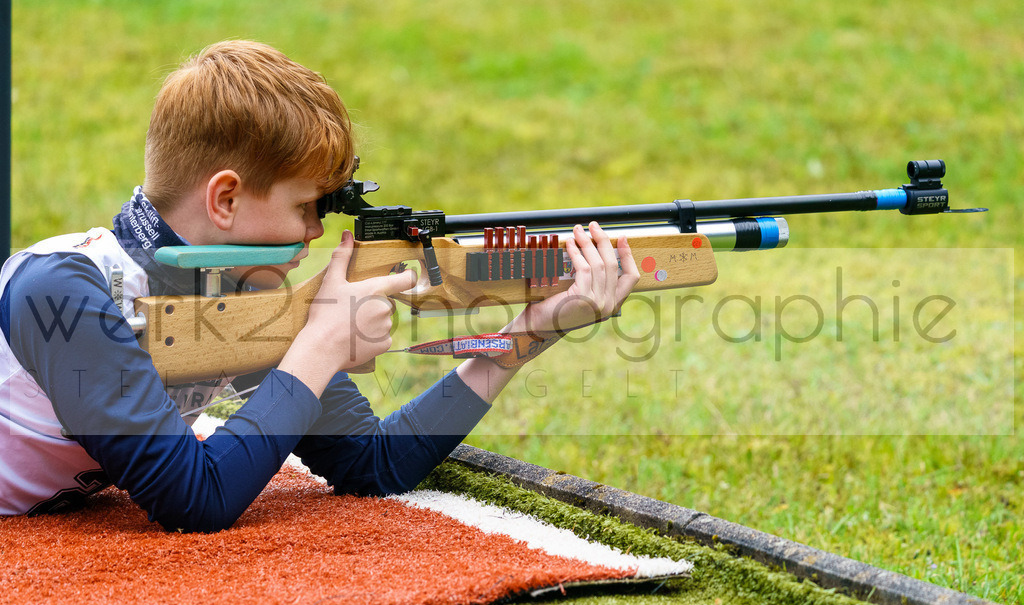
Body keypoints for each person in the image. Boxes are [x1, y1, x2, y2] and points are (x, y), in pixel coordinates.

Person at [0, 40, 638, 532]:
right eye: (307, 206)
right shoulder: (60, 292)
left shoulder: (237, 292)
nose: (314, 232)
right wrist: (319, 347)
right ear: (225, 199)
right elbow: (194, 499)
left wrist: (532, 330)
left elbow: (373, 464)